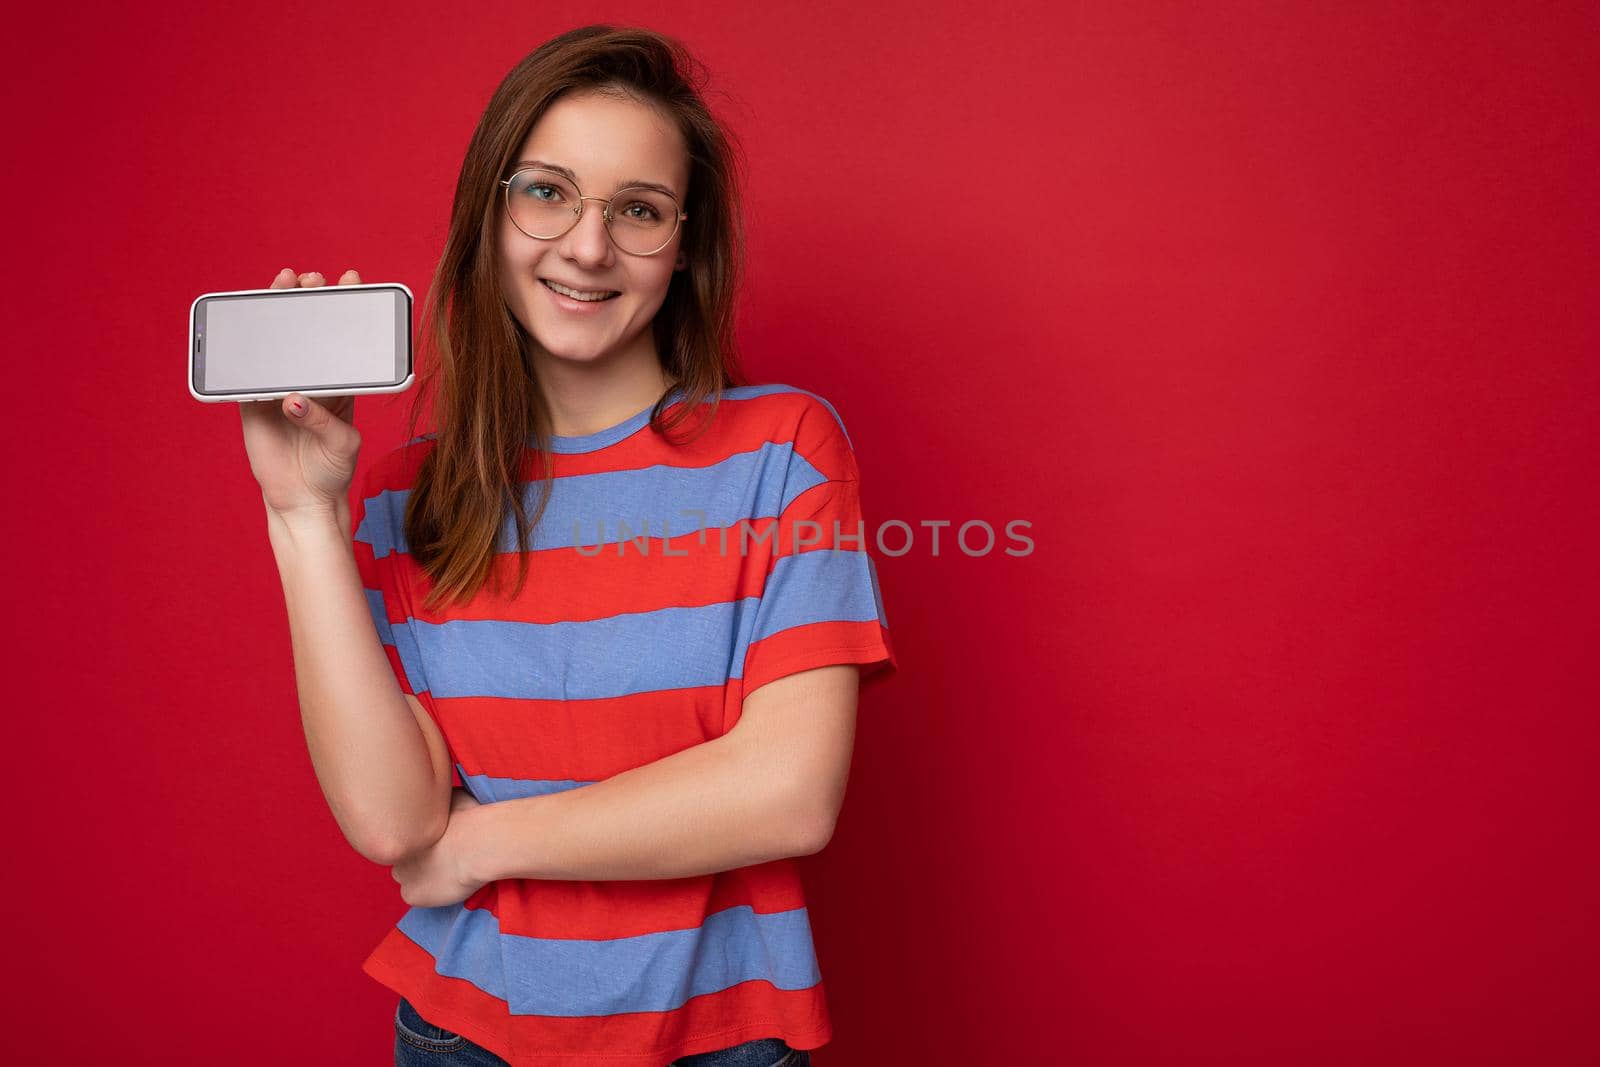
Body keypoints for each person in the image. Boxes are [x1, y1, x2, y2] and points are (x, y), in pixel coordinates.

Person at [238, 23, 897, 1067]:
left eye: (636, 210)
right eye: (546, 192)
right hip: (464, 1039)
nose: (588, 247)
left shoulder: (784, 450)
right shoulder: (403, 499)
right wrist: (300, 515)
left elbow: (788, 793)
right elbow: (392, 821)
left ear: (684, 245)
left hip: (724, 1042)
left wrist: (484, 843)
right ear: (489, 215)